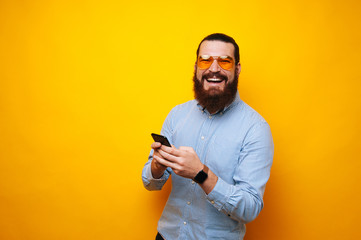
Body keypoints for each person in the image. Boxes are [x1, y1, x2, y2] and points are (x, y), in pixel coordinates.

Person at [142, 33, 274, 240]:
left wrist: (201, 174)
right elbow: (150, 183)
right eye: (205, 60)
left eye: (224, 61)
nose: (214, 68)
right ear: (196, 67)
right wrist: (157, 166)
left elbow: (250, 208)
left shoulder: (256, 129)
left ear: (237, 69)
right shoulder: (177, 115)